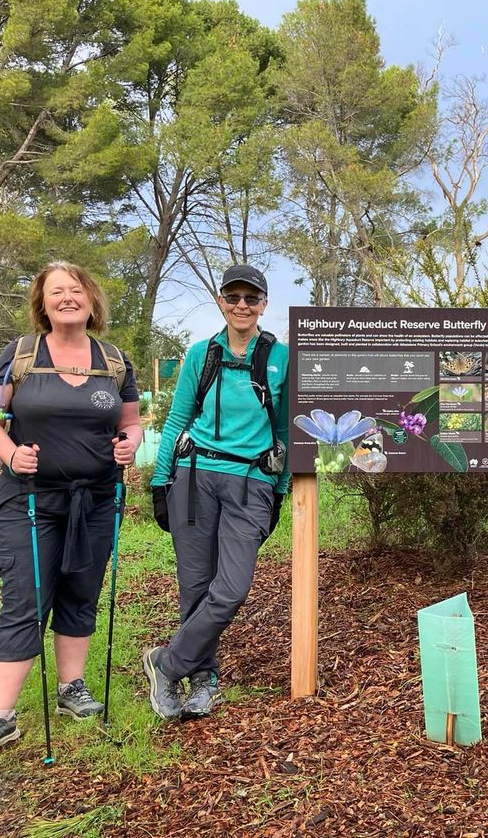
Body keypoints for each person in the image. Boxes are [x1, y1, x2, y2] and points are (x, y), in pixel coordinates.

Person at [0, 262, 142, 764]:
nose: (67, 298)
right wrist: (11, 454)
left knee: (81, 590)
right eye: (56, 292)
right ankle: (0, 716)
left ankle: (71, 687)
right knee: (27, 598)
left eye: (75, 290)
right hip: (30, 498)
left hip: (98, 498)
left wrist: (129, 447)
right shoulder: (19, 355)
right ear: (43, 302)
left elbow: (132, 423)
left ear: (90, 299)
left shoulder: (114, 360)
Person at [144, 264, 289, 721]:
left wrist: (278, 489)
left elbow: (285, 432)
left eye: (251, 298)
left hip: (252, 481)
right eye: (233, 297)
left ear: (264, 304)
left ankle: (166, 663)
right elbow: (176, 420)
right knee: (195, 586)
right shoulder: (200, 355)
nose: (242, 305)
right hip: (193, 476)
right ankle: (203, 677)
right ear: (221, 301)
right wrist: (159, 481)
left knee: (231, 588)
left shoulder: (281, 358)